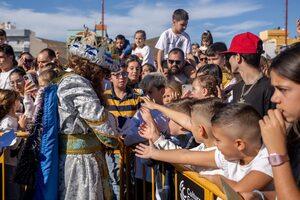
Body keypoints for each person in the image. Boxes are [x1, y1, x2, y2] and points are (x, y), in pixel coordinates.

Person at [135, 103, 274, 193]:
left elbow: (238, 190)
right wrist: (154, 153)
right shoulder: (227, 154)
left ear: (239, 144)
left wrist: (215, 179)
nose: (216, 144)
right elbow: (185, 156)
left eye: (218, 140)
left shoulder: (266, 161)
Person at [252, 43, 300, 200]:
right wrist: (260, 196)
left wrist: (277, 153)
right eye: (275, 89)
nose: (274, 98)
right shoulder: (295, 131)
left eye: (283, 89)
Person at [221, 32, 275, 116]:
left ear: (238, 57)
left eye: (228, 56)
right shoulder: (237, 87)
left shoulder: (270, 88)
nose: (227, 61)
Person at [0, 89, 26, 200]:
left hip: (15, 163)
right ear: (13, 103)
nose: (20, 102)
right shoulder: (7, 121)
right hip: (9, 164)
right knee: (13, 194)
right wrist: (21, 128)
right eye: (18, 100)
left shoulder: (13, 118)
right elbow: (12, 145)